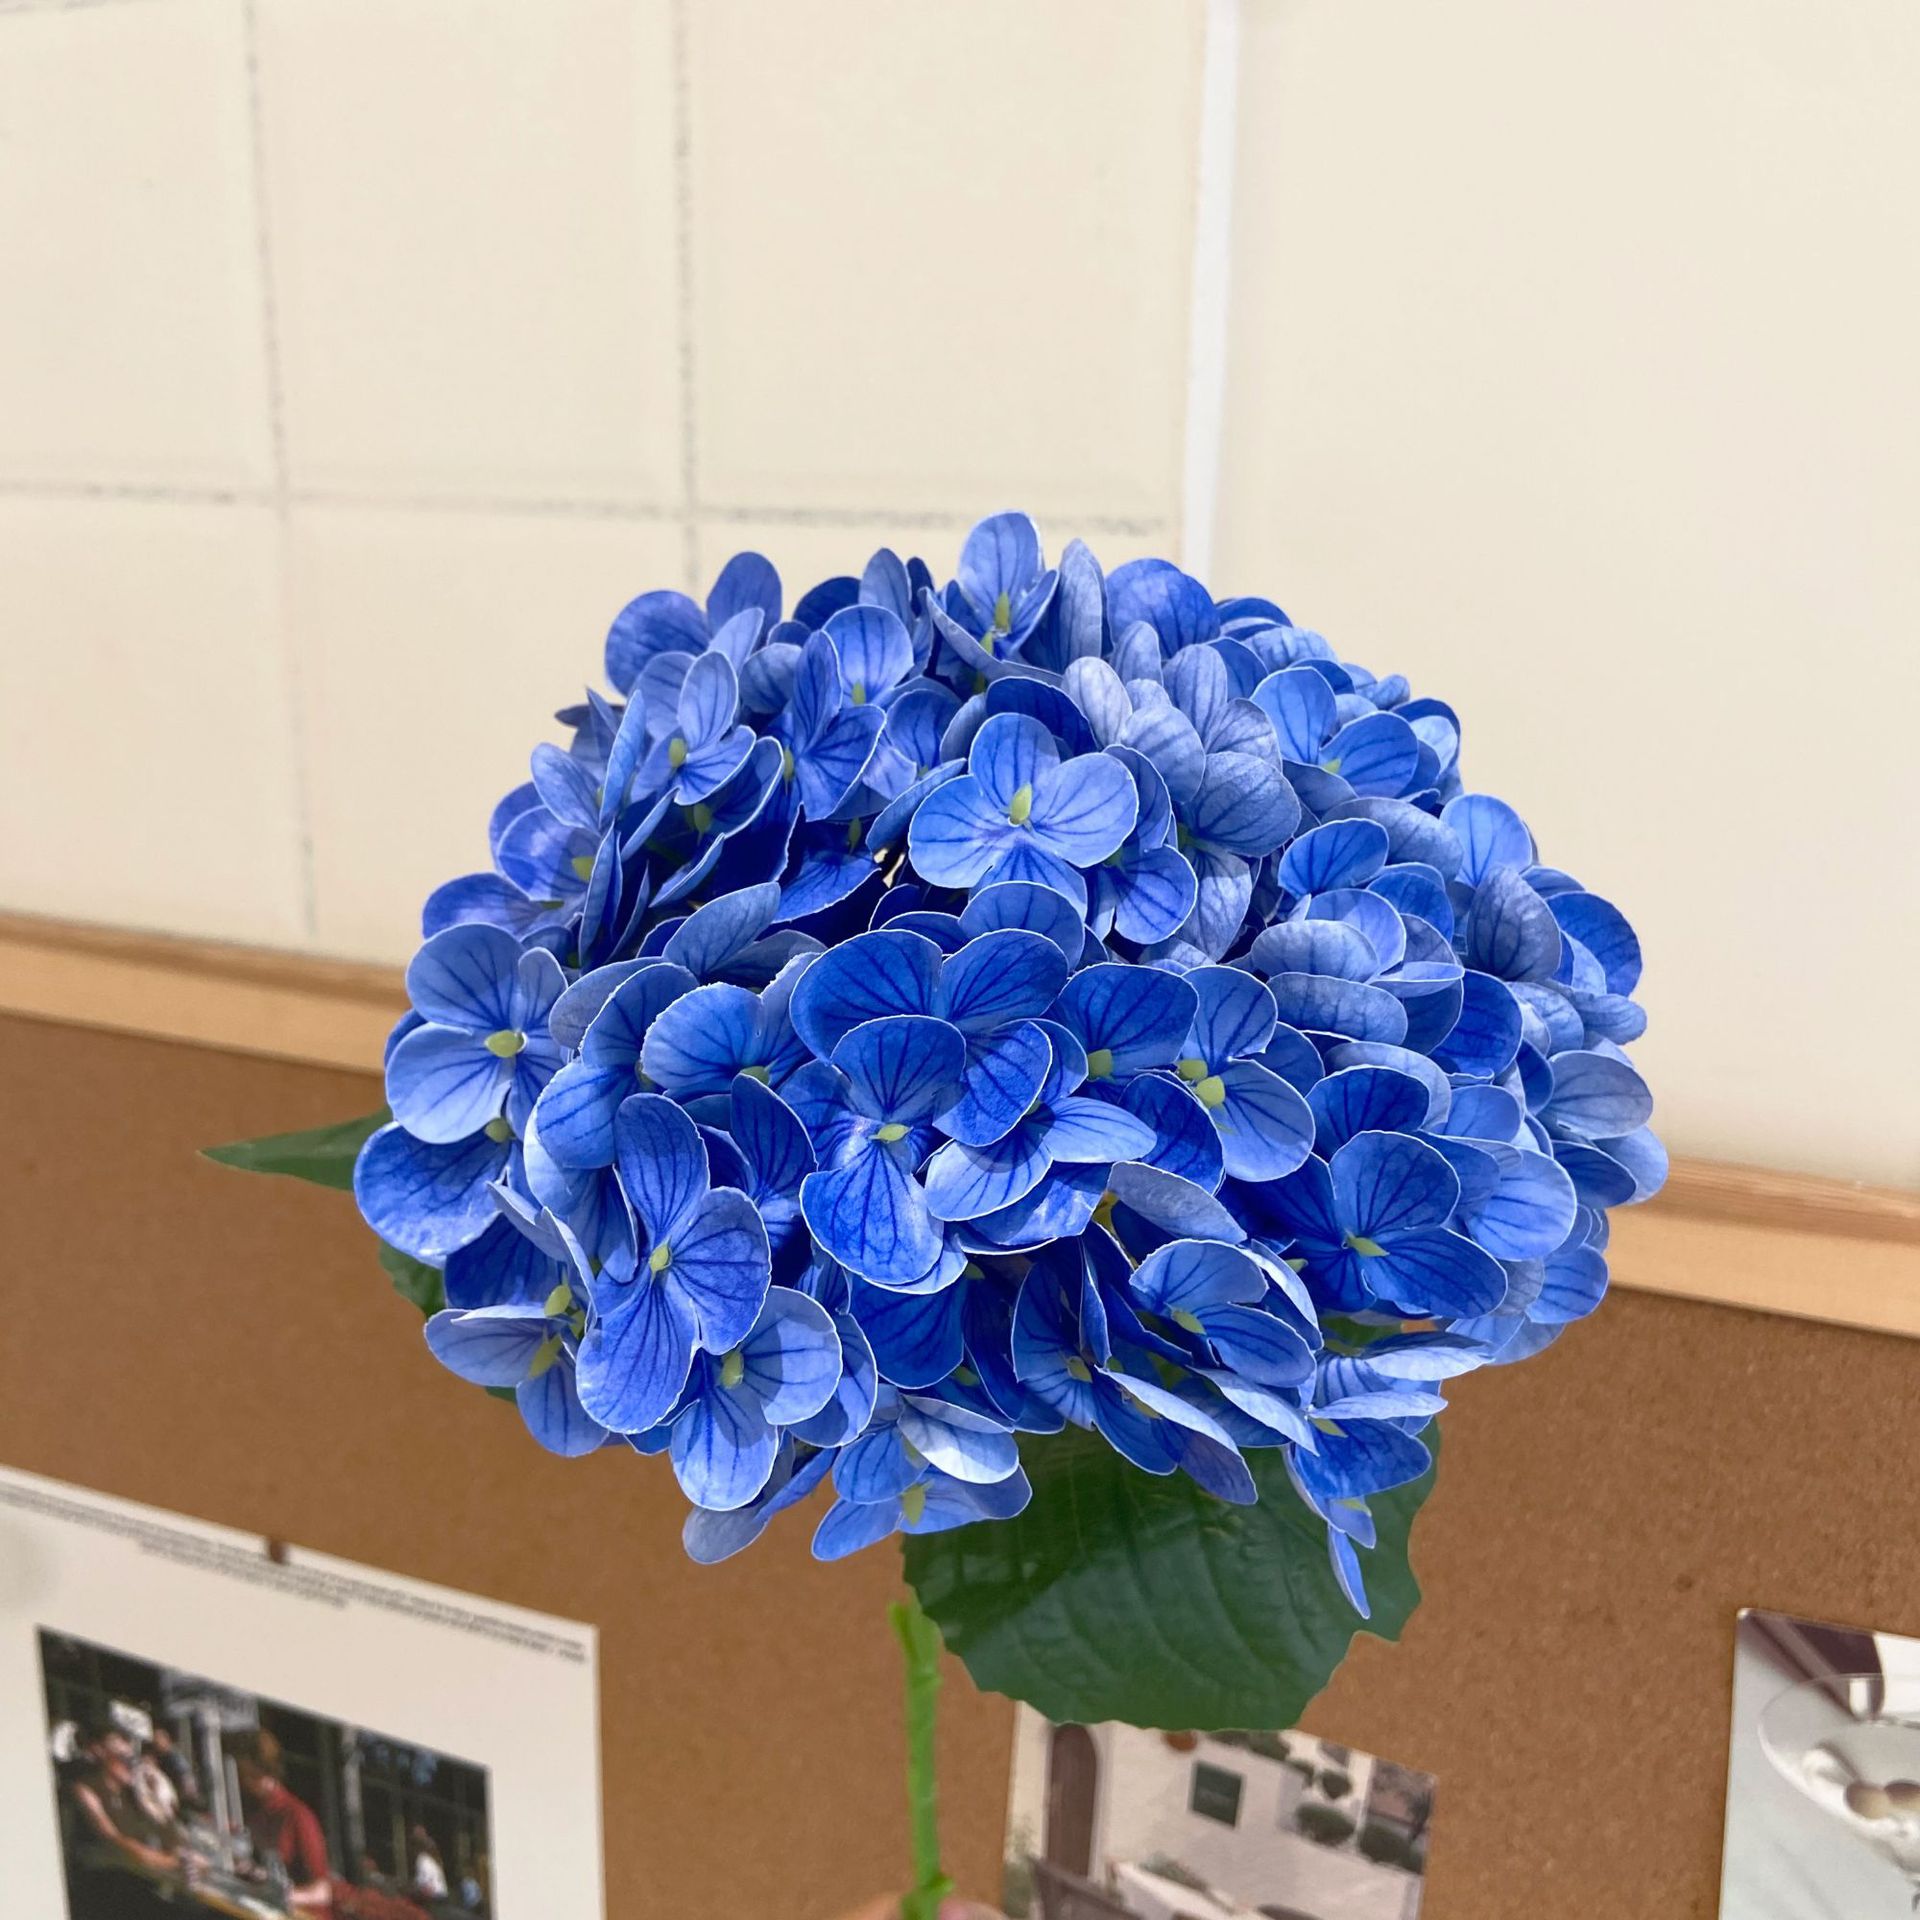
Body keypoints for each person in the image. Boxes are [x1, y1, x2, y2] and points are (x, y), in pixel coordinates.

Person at [231, 1729, 334, 1913]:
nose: (246, 1782)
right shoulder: (255, 1810)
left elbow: (323, 1891)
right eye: (243, 1775)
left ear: (267, 1771)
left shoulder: (298, 1816)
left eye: (252, 1776)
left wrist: (286, 1895)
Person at [68, 1723, 181, 1876]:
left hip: (138, 1872)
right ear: (100, 1753)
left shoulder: (133, 1793)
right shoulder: (87, 1789)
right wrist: (171, 1862)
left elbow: (168, 1832)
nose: (131, 1766)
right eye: (123, 1759)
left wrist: (156, 1797)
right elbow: (113, 1840)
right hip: (104, 1874)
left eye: (133, 1760)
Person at [408, 1824, 448, 1902]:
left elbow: (427, 1887)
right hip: (441, 1894)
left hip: (434, 1897)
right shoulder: (433, 1860)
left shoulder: (423, 1860)